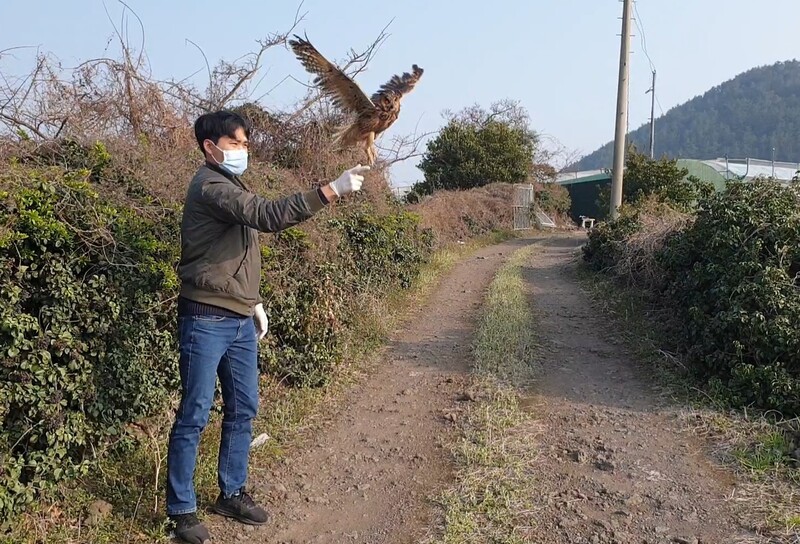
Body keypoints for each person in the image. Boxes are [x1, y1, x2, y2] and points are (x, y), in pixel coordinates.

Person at [167, 110, 369, 544]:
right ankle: (182, 512)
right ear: (211, 146)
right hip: (205, 317)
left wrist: (253, 301)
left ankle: (232, 492)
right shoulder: (211, 186)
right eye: (237, 143)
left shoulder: (231, 185)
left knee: (244, 409)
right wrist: (330, 191)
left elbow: (235, 252)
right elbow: (269, 216)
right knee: (195, 413)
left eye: (244, 144)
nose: (244, 151)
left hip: (238, 317)